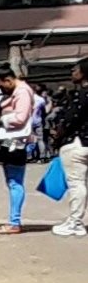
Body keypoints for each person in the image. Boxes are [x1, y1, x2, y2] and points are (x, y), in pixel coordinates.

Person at [0, 67, 35, 235]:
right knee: (14, 182)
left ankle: (14, 221)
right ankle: (14, 220)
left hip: (15, 142)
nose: (2, 89)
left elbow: (20, 118)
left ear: (8, 80)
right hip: (13, 140)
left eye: (2, 85)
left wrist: (1, 117)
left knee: (15, 182)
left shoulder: (22, 92)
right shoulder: (19, 92)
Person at [53, 58, 88, 237]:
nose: (72, 73)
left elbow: (71, 119)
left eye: (75, 70)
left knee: (76, 183)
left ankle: (76, 221)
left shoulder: (82, 94)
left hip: (78, 142)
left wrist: (59, 132)